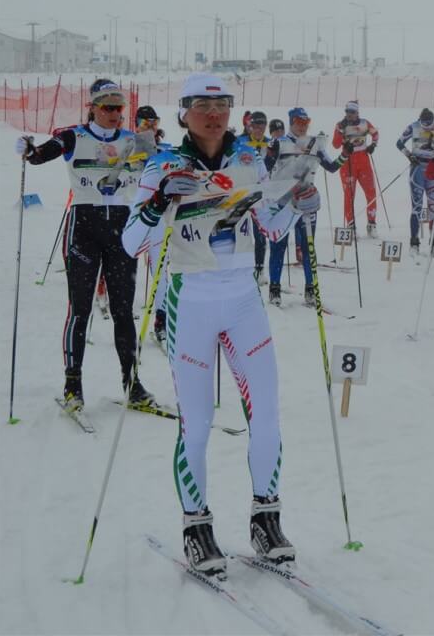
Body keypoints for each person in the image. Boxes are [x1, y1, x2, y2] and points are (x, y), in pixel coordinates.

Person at [122, 72, 314, 574]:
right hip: (192, 297)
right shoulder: (163, 163)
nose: (214, 113)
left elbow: (269, 225)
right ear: (184, 112)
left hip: (244, 298)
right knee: (198, 426)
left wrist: (297, 204)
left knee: (267, 416)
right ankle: (196, 526)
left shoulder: (249, 157)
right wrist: (162, 200)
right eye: (204, 105)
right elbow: (130, 243)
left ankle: (266, 521)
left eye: (223, 104)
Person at [17, 78, 154, 412]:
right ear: (93, 107)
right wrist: (29, 150)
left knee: (123, 310)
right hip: (84, 228)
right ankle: (72, 385)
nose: (115, 114)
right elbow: (40, 156)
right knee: (80, 309)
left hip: (122, 228)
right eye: (107, 107)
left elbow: (161, 169)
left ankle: (132, 383)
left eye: (119, 107)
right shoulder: (74, 136)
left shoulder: (134, 141)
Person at [266, 107, 344, 306]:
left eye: (305, 123)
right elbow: (265, 167)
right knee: (278, 246)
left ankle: (310, 289)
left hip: (306, 201)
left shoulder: (314, 143)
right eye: (299, 123)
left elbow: (332, 167)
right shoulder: (280, 142)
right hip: (282, 202)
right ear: (291, 122)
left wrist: (346, 154)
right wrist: (270, 153)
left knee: (308, 247)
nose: (303, 126)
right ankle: (274, 289)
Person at [135, 105, 180, 348]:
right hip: (130, 217)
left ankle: (161, 321)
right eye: (145, 123)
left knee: (161, 273)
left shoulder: (165, 150)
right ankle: (107, 294)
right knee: (121, 266)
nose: (151, 128)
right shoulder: (127, 145)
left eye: (154, 123)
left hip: (157, 218)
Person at [395, 107, 434, 252]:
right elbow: (399, 143)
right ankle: (414, 241)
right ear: (420, 121)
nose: (427, 126)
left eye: (430, 123)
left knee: (433, 207)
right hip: (417, 169)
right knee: (417, 207)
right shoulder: (413, 126)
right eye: (425, 124)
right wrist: (409, 155)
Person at [332, 101, 381, 237]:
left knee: (371, 193)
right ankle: (351, 225)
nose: (349, 115)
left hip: (364, 162)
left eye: (352, 112)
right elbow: (335, 145)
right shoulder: (340, 125)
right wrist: (340, 130)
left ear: (357, 113)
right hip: (348, 163)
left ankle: (372, 223)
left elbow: (375, 133)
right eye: (347, 112)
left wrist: (373, 145)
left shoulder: (365, 123)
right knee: (349, 196)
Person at [240, 110, 272, 282]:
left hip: (261, 194)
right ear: (249, 126)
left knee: (260, 233)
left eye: (262, 126)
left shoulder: (270, 144)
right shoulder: (240, 142)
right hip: (243, 193)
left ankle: (259, 269)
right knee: (241, 233)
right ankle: (241, 267)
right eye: (255, 125)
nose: (258, 129)